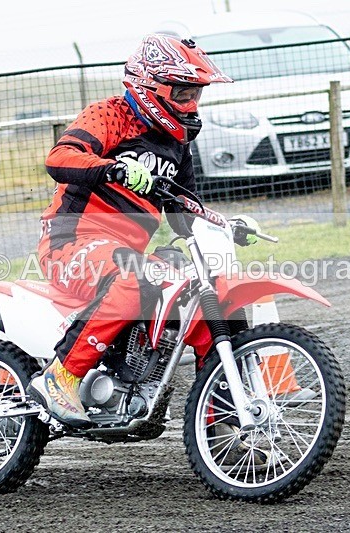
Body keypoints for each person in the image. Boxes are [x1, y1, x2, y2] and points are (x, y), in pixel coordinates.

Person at [29, 34, 235, 427]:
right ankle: (61, 377)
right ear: (149, 85)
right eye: (184, 92)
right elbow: (59, 157)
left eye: (197, 94)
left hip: (126, 251)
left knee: (211, 298)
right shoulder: (109, 114)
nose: (191, 104)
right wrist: (113, 168)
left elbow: (182, 209)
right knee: (135, 277)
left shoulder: (178, 144)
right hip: (71, 240)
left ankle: (220, 419)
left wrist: (224, 224)